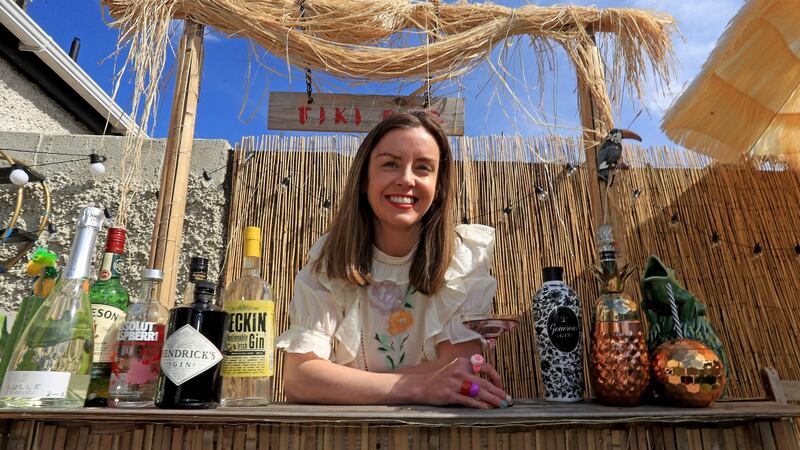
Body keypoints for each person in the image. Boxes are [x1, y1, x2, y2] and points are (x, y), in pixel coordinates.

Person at [276, 111, 510, 409]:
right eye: (390, 164)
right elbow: (300, 378)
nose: (406, 180)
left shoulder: (465, 258)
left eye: (423, 168)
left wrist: (341, 383)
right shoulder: (329, 259)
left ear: (438, 186)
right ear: (365, 179)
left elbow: (457, 369)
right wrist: (421, 386)